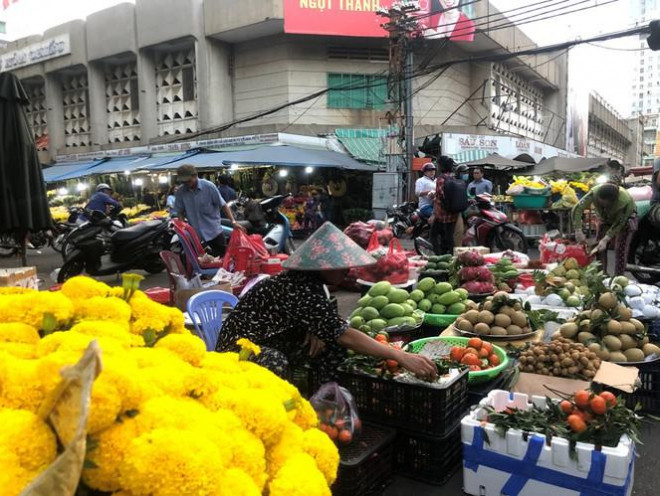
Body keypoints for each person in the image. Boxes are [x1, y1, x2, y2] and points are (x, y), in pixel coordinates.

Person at [216, 222, 439, 383]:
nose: (348, 270)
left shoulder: (312, 284)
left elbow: (328, 322)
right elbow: (344, 334)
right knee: (275, 362)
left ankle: (327, 397)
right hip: (237, 349)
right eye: (341, 266)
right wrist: (400, 356)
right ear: (324, 266)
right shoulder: (297, 287)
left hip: (272, 337)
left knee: (330, 345)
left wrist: (318, 330)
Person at [174, 164, 244, 257]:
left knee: (223, 260)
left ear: (195, 176)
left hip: (214, 232)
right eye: (183, 181)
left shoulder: (209, 187)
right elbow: (179, 211)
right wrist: (183, 227)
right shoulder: (180, 192)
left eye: (188, 181)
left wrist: (233, 222)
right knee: (201, 263)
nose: (186, 183)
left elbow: (223, 205)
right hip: (195, 236)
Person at [572, 183, 637, 276]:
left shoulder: (625, 201)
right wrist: (578, 230)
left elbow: (619, 223)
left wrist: (606, 239)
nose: (602, 205)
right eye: (600, 202)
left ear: (613, 201)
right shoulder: (594, 193)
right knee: (599, 248)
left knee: (620, 251)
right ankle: (602, 275)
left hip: (624, 221)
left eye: (605, 203)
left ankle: (618, 278)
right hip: (605, 218)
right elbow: (577, 208)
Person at [430, 156, 463, 255]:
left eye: (438, 164)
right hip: (453, 212)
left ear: (441, 166)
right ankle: (453, 256)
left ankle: (438, 256)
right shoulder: (452, 177)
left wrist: (435, 214)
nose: (437, 166)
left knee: (433, 235)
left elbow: (439, 197)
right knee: (449, 236)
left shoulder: (441, 179)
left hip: (443, 213)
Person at [453, 164, 470, 248]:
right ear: (458, 173)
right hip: (457, 209)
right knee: (459, 230)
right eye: (464, 172)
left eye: (466, 172)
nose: (466, 174)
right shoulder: (455, 182)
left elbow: (467, 194)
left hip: (464, 206)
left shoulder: (465, 182)